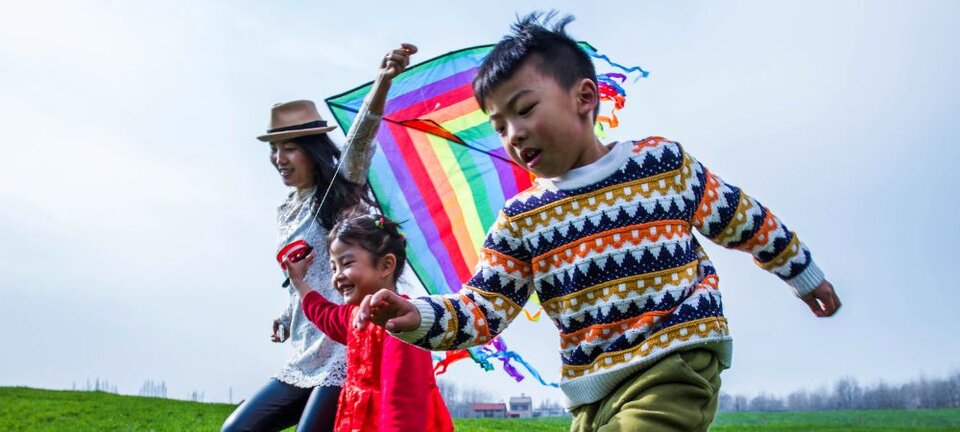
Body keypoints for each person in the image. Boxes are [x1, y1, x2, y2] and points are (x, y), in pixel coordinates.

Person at [354, 13, 841, 432]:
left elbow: (744, 219)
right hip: (591, 390)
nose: (513, 133)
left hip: (673, 361)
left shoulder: (661, 166)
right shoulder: (521, 221)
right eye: (499, 126)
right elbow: (482, 308)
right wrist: (419, 316)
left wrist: (803, 273)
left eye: (525, 110)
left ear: (584, 97)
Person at [221, 43, 417, 432]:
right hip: (305, 349)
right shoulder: (285, 210)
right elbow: (304, 275)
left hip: (345, 345)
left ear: (311, 151)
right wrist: (287, 315)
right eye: (275, 149)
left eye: (290, 149)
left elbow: (361, 138)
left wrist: (382, 82)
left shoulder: (339, 193)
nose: (279, 159)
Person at [285, 213, 454, 432]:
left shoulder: (402, 321)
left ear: (386, 265)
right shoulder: (355, 316)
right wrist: (299, 282)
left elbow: (404, 407)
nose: (337, 276)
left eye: (347, 263)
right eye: (334, 267)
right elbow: (324, 315)